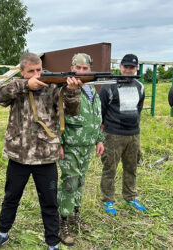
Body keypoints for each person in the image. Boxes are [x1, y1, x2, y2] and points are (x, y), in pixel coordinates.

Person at [0, 52, 82, 250]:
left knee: (49, 203)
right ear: (21, 72)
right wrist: (25, 85)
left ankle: (53, 244)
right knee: (11, 198)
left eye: (39, 70)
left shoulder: (54, 86)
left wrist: (73, 91)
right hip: (18, 156)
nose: (37, 74)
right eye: (31, 71)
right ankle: (3, 233)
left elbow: (72, 111)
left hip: (46, 157)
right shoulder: (16, 86)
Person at [57, 53, 104, 246]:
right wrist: (58, 143)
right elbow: (56, 116)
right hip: (71, 144)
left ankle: (75, 214)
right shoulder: (65, 89)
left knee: (80, 181)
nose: (82, 71)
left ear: (90, 70)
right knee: (70, 182)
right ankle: (62, 222)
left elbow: (97, 116)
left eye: (85, 68)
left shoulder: (92, 89)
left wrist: (99, 139)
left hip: (87, 145)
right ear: (72, 68)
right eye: (78, 68)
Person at [99, 53, 146, 216]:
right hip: (113, 135)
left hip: (133, 134)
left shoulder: (140, 86)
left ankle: (130, 196)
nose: (128, 70)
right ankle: (108, 200)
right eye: (125, 67)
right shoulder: (109, 87)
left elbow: (139, 108)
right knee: (109, 168)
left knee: (131, 167)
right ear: (120, 67)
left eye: (131, 67)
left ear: (136, 69)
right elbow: (101, 111)